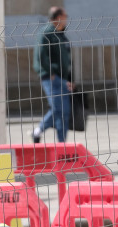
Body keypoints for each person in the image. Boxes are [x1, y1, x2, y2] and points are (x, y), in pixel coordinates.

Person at [32, 6, 73, 144]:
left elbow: (67, 59)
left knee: (64, 111)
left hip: (62, 78)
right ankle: (38, 131)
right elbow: (40, 55)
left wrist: (69, 79)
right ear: (58, 17)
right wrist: (50, 73)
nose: (67, 18)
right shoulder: (46, 33)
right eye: (65, 15)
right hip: (51, 78)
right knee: (57, 109)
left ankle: (62, 144)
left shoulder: (61, 34)